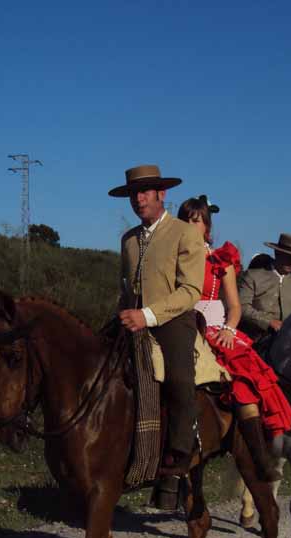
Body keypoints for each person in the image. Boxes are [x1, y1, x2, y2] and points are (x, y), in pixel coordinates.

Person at [177, 196, 291, 481]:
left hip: (215, 327)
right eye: (187, 220)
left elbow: (236, 306)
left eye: (198, 221)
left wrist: (229, 329)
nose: (192, 226)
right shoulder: (171, 255)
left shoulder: (220, 259)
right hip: (180, 324)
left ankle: (259, 458)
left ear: (207, 225)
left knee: (244, 381)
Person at [112, 164, 206, 477]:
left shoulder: (185, 233)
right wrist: (124, 312)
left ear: (161, 194)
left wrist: (148, 315)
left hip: (173, 318)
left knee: (180, 378)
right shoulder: (128, 239)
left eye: (144, 193)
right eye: (133, 195)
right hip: (131, 316)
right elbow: (124, 287)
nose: (138, 200)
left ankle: (181, 451)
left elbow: (191, 290)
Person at [237, 233, 291, 340]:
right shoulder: (252, 276)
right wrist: (268, 322)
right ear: (277, 253)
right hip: (254, 340)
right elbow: (242, 307)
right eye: (288, 256)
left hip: (290, 341)